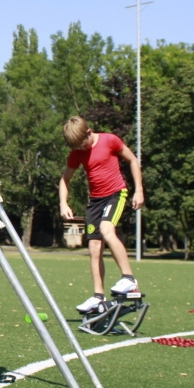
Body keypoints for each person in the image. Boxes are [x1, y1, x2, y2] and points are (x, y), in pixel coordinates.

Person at [58, 115, 144, 313]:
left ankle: (129, 279)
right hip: (95, 201)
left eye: (82, 144)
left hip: (116, 194)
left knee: (107, 229)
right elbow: (65, 179)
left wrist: (139, 189)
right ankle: (98, 297)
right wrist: (64, 203)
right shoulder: (77, 153)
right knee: (94, 247)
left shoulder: (110, 140)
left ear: (89, 132)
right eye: (77, 147)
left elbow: (132, 160)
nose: (81, 149)